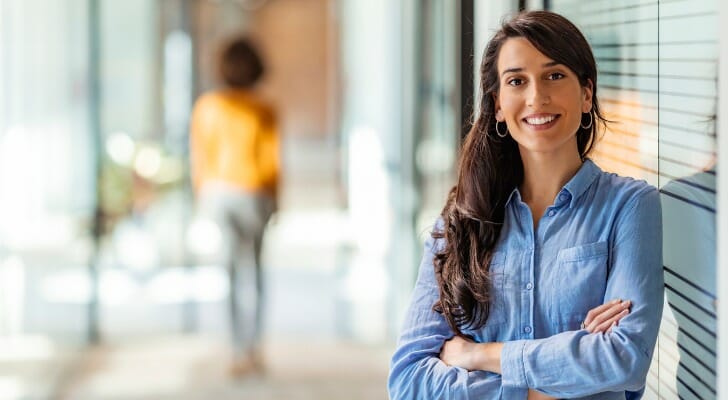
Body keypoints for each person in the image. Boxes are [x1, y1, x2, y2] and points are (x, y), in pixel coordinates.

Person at [388, 11, 663, 400]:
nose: (536, 97)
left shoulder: (630, 207)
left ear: (587, 94)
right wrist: (541, 392)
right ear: (498, 104)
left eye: (554, 76)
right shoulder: (461, 222)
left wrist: (479, 354)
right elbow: (408, 379)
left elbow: (623, 358)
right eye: (517, 81)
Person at [189, 36, 279, 376]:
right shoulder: (264, 108)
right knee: (253, 270)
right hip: (254, 192)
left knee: (228, 271)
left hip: (219, 193)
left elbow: (201, 157)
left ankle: (235, 351)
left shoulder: (207, 106)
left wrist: (201, 197)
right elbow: (271, 161)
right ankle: (253, 349)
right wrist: (276, 201)